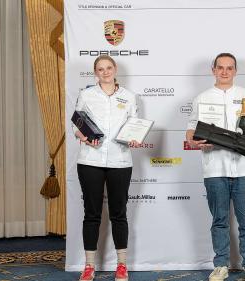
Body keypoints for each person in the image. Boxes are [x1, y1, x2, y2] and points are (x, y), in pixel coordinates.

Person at [186, 53, 245, 281]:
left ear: (235, 71)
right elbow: (191, 129)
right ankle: (220, 264)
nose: (224, 72)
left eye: (229, 68)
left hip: (244, 169)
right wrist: (193, 140)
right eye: (220, 68)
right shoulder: (201, 98)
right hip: (214, 169)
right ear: (213, 70)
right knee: (219, 220)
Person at [73, 55, 139, 281]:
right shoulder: (86, 95)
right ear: (95, 72)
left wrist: (134, 138)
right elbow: (77, 126)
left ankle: (122, 265)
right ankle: (89, 265)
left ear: (115, 69)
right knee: (91, 214)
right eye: (100, 69)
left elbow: (134, 125)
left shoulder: (129, 96)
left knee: (119, 214)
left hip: (120, 161)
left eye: (108, 68)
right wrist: (83, 136)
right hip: (90, 160)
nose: (105, 72)